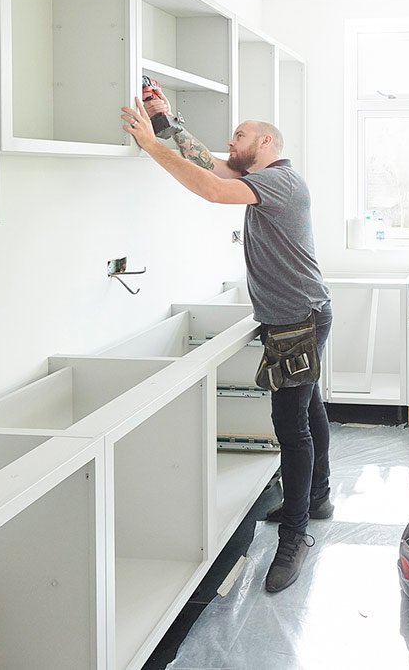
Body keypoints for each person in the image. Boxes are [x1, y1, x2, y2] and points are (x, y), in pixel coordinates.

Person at [122, 95, 332, 594]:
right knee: (310, 406)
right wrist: (167, 124)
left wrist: (152, 146)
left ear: (266, 142)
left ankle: (295, 536)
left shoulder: (280, 181)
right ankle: (319, 497)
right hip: (298, 315)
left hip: (298, 321)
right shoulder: (261, 179)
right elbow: (211, 165)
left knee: (291, 426)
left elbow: (214, 189)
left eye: (239, 135)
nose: (230, 142)